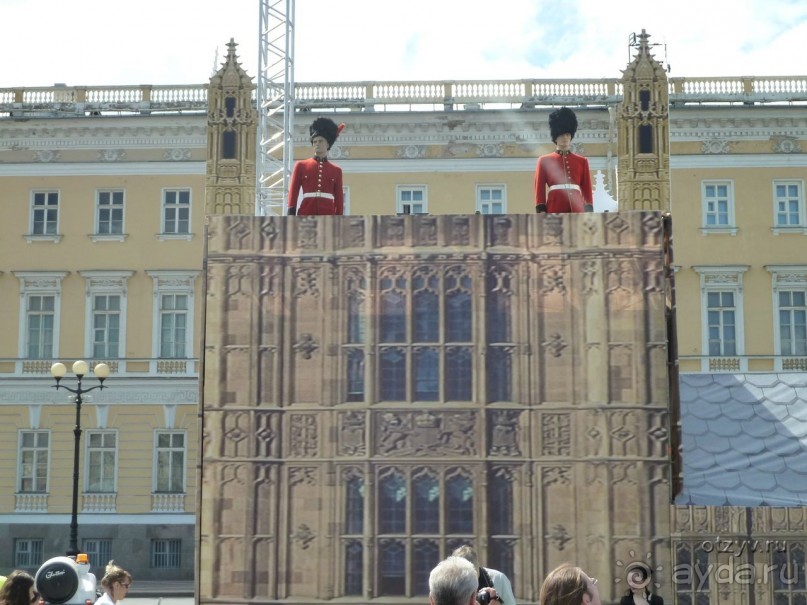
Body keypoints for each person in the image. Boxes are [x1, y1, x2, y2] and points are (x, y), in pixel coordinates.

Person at [534, 107, 594, 213]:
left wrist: (588, 210)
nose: (565, 138)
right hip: (554, 207)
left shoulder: (582, 161)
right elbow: (539, 189)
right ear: (555, 137)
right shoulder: (544, 160)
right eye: (561, 134)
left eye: (567, 134)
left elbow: (587, 190)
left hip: (577, 210)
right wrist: (541, 210)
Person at [287, 117, 345, 216]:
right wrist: (291, 215)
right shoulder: (301, 166)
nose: (317, 144)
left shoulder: (336, 170)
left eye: (320, 141)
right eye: (315, 142)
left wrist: (339, 218)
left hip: (328, 215)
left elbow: (339, 199)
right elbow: (293, 192)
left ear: (327, 144)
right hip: (306, 212)